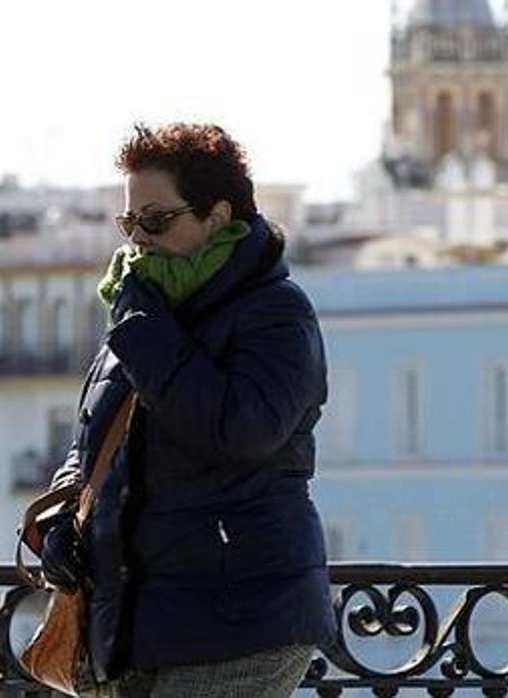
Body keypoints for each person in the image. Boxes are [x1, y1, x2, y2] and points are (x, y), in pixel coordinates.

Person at [41, 122, 336, 697]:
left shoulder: (275, 312)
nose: (138, 242)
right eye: (130, 224)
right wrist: (65, 512)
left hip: (243, 617)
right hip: (139, 618)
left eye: (156, 221)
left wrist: (148, 335)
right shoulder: (143, 309)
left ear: (217, 216)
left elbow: (239, 429)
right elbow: (96, 440)